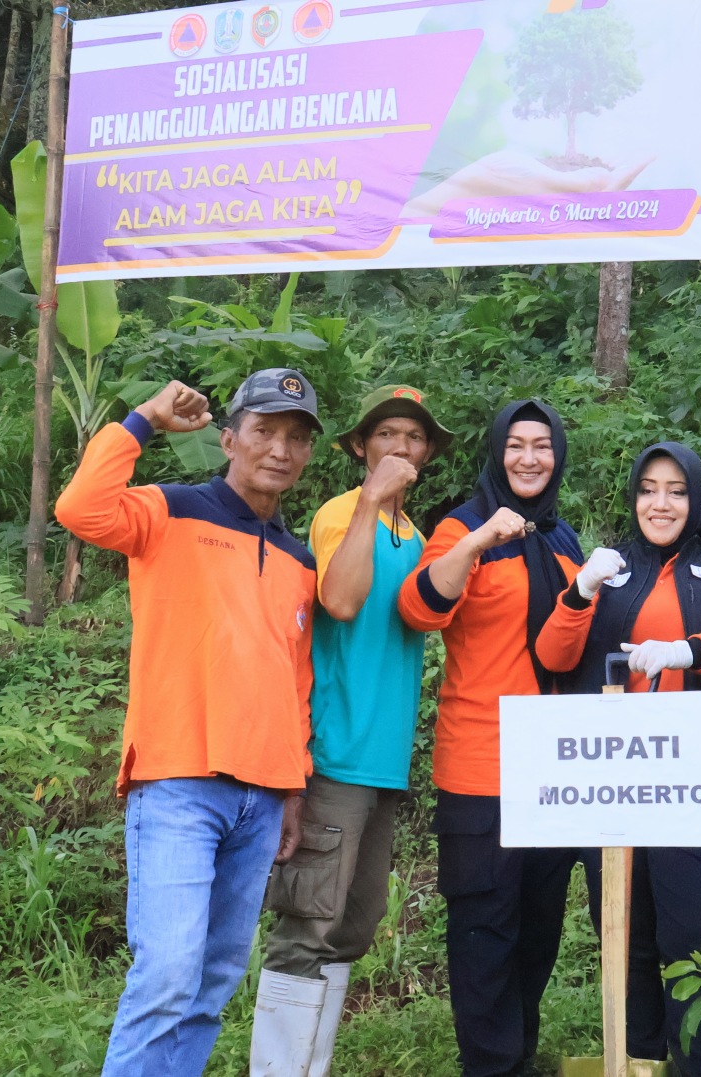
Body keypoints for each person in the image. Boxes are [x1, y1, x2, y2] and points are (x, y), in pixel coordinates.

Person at [55, 370, 320, 1077]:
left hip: (262, 798)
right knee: (168, 974)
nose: (279, 449)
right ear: (228, 438)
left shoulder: (299, 559)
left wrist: (293, 788)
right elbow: (80, 508)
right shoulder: (170, 511)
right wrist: (142, 419)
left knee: (212, 982)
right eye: (264, 430)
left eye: (296, 437)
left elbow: (295, 680)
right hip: (178, 781)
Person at [534, 442, 701, 1077]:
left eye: (676, 490)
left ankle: (697, 1065)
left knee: (692, 931)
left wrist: (686, 651)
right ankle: (639, 1059)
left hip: (684, 773)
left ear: (696, 498)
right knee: (625, 930)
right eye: (648, 489)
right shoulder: (609, 567)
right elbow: (555, 656)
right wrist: (579, 592)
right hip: (611, 771)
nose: (660, 503)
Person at [250, 386, 454, 1077]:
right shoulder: (344, 512)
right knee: (308, 927)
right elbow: (338, 599)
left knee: (352, 928)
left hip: (385, 761)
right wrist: (370, 498)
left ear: (428, 452)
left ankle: (312, 1065)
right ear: (361, 447)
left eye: (414, 437)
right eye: (387, 434)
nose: (401, 447)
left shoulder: (418, 536)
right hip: (334, 752)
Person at [397, 400, 586, 1077]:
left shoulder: (564, 540)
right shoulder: (462, 524)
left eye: (542, 445)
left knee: (538, 931)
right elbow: (420, 606)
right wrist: (479, 543)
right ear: (497, 452)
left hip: (553, 768)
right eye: (516, 444)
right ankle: (491, 1065)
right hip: (482, 766)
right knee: (485, 933)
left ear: (558, 455)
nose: (529, 457)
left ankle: (519, 1055)